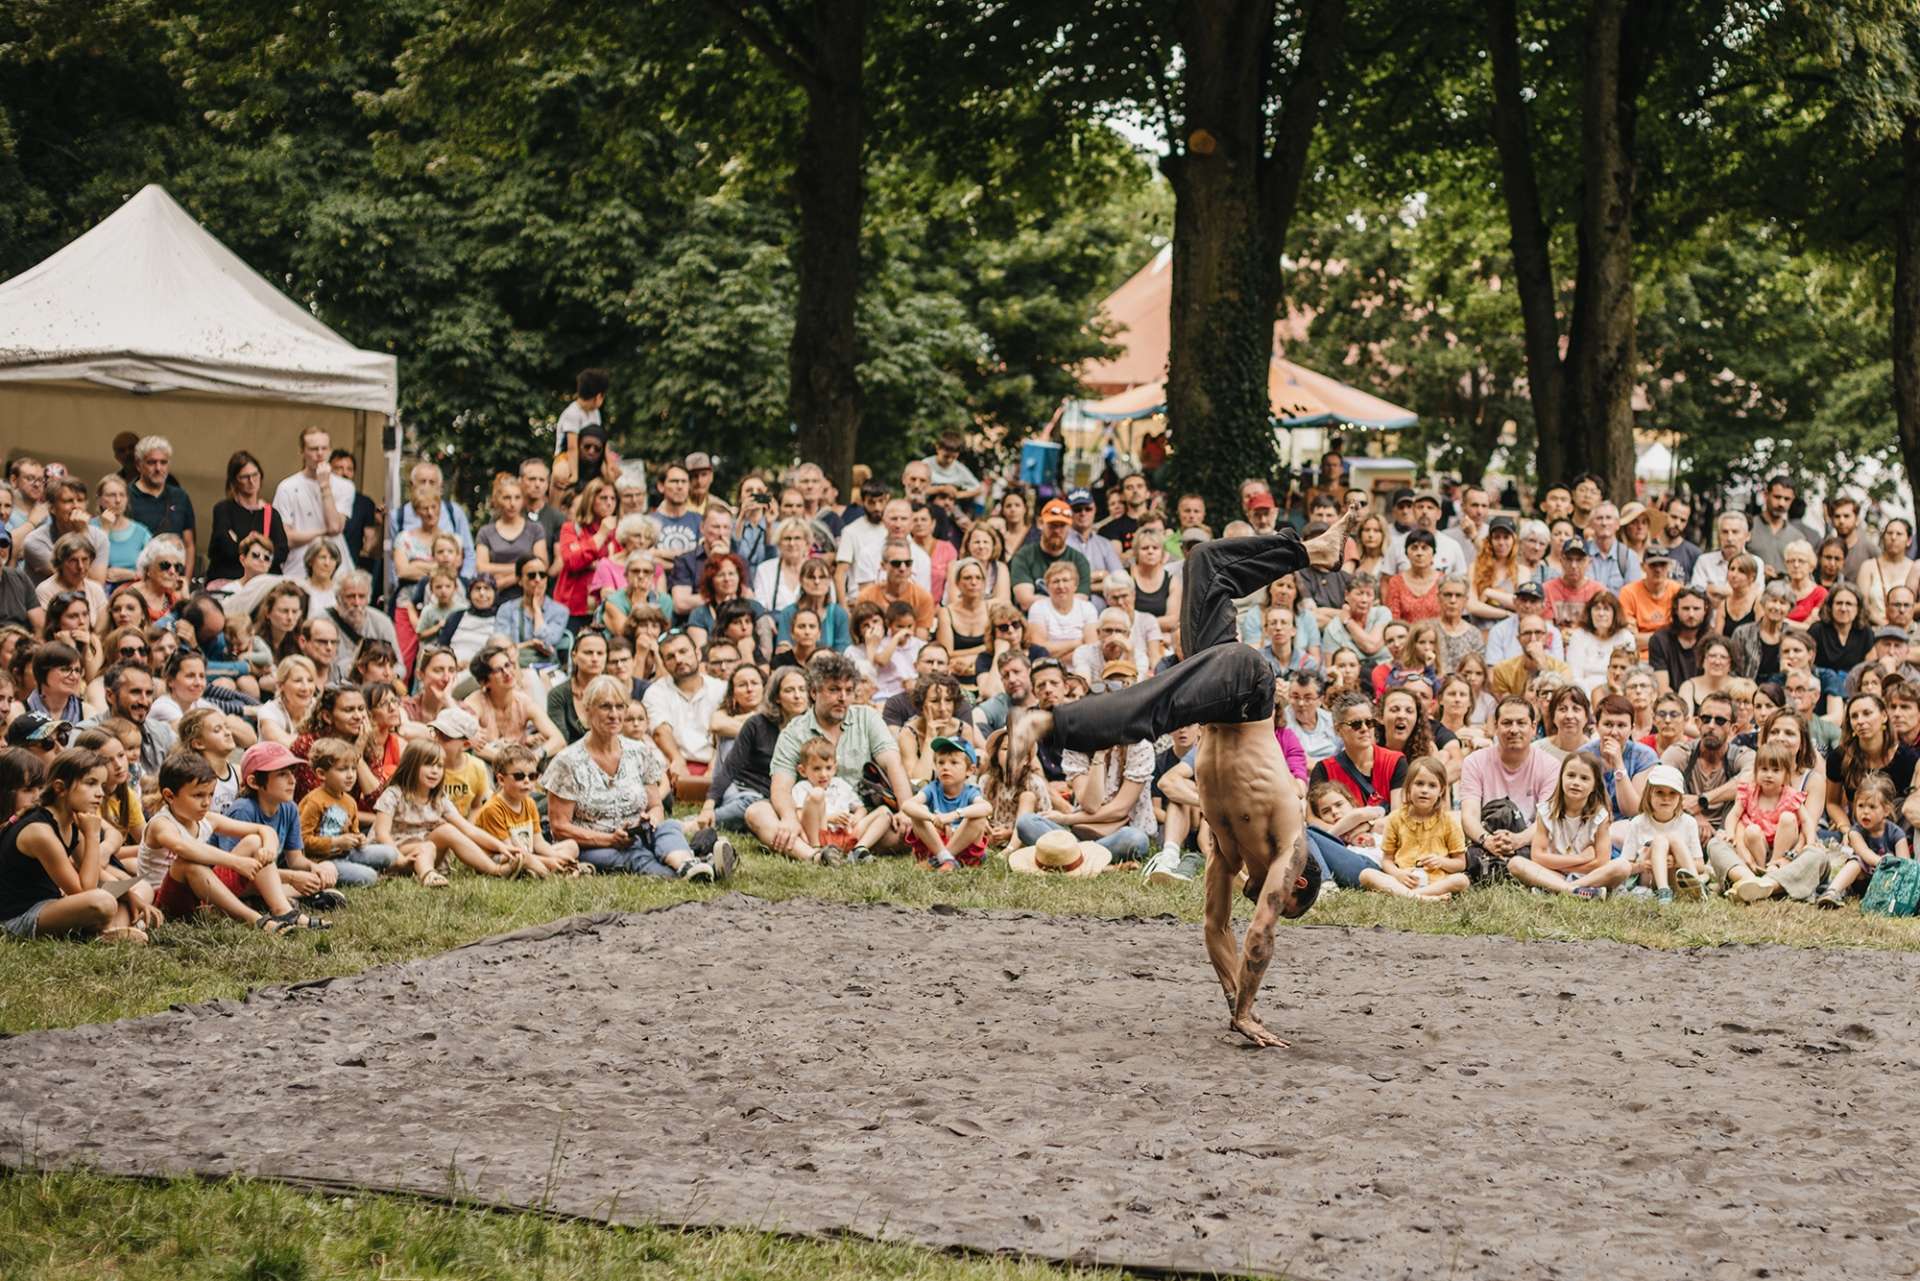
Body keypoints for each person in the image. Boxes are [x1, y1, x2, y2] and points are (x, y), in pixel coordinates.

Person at [1006, 511, 1360, 1048]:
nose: (1259, 904)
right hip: (1245, 685)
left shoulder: (1226, 850)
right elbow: (1260, 935)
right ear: (1297, 886)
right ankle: (1049, 723)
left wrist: (1233, 1005)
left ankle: (1313, 554)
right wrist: (1248, 1006)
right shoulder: (1291, 847)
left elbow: (1216, 928)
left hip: (1220, 691)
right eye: (1279, 899)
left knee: (1204, 563)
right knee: (1159, 706)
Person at [545, 675, 729, 879]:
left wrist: (651, 820)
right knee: (635, 855)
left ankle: (688, 864)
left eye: (620, 706)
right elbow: (560, 828)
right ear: (588, 711)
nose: (614, 714)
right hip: (594, 845)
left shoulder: (639, 752)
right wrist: (610, 839)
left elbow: (656, 806)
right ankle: (700, 868)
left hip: (638, 834)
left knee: (668, 827)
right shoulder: (567, 762)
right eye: (606, 707)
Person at [141, 751, 323, 931]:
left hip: (201, 893)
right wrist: (236, 862)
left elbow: (264, 830)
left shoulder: (207, 819)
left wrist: (268, 848)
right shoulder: (161, 824)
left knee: (253, 841)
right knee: (187, 864)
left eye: (210, 795)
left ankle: (283, 911)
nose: (206, 802)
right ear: (170, 796)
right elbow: (185, 848)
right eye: (198, 796)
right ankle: (255, 920)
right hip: (165, 902)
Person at [0, 748, 155, 943]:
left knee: (141, 890)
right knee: (103, 901)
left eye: (102, 785)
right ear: (60, 788)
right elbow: (83, 891)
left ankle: (110, 932)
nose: (100, 793)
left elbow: (97, 873)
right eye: (91, 783)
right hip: (19, 918)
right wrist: (91, 836)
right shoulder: (39, 831)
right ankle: (109, 929)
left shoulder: (70, 822)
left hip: (52, 905)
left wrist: (131, 897)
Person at [297, 736, 402, 887]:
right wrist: (336, 842)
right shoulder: (315, 801)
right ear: (321, 774)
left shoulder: (349, 801)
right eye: (342, 769)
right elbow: (303, 841)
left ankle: (356, 869)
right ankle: (357, 872)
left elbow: (354, 831)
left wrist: (359, 839)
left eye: (353, 768)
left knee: (390, 853)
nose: (350, 775)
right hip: (323, 860)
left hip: (348, 853)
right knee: (369, 877)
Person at [1504, 751, 1612, 894]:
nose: (1575, 782)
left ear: (1594, 785)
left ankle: (1557, 888)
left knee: (1622, 867)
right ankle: (1576, 891)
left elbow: (1601, 862)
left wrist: (1558, 864)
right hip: (1552, 872)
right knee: (1515, 863)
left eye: (1584, 778)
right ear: (1561, 778)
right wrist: (1580, 858)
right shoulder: (1546, 812)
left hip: (1588, 876)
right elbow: (1537, 857)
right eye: (1571, 775)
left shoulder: (1600, 816)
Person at [471, 742, 584, 878]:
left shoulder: (529, 803)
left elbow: (539, 842)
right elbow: (510, 852)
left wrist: (556, 856)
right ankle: (554, 871)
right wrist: (549, 861)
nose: (527, 781)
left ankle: (546, 869)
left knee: (572, 846)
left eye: (532, 776)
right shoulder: (493, 808)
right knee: (523, 858)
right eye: (519, 776)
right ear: (501, 779)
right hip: (501, 858)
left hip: (527, 854)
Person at [1377, 756, 1473, 898]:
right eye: (1419, 783)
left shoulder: (1448, 821)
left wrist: (1441, 861)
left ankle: (1410, 896)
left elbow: (1460, 863)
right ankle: (1421, 897)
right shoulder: (1395, 818)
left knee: (1462, 880)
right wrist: (1398, 874)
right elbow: (1387, 860)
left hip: (1436, 882)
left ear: (1441, 791)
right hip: (1405, 879)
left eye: (1432, 786)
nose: (1424, 790)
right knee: (1366, 875)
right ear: (1409, 787)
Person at [898, 734, 991, 870]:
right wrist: (933, 818)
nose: (945, 767)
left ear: (970, 770)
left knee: (978, 817)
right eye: (941, 762)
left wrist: (954, 815)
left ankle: (942, 859)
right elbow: (907, 805)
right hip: (935, 846)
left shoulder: (971, 791)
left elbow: (987, 807)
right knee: (919, 812)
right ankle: (946, 859)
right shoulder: (932, 788)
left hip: (961, 849)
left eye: (953, 762)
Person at [273, 426, 355, 579]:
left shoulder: (345, 486)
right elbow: (287, 539)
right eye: (313, 449)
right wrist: (323, 533)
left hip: (337, 569)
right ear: (302, 452)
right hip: (298, 570)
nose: (319, 454)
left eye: (324, 448)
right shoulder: (287, 487)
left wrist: (325, 486)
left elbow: (335, 526)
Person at [1820, 772, 1909, 907]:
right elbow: (1865, 854)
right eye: (1861, 806)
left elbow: (1906, 864)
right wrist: (1885, 862)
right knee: (1856, 862)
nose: (1865, 812)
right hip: (1861, 881)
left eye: (1872, 807)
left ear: (1886, 810)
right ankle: (1832, 892)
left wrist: (1895, 867)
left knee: (1897, 865)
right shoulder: (1856, 832)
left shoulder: (1896, 833)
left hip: (1886, 882)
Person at [206, 452, 287, 582]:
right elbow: (224, 548)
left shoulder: (271, 514)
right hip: (229, 579)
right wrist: (261, 546)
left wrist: (241, 543)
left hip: (262, 582)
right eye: (244, 477)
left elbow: (281, 552)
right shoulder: (224, 509)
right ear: (234, 480)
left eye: (255, 475)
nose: (251, 481)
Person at [125, 436, 196, 573]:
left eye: (163, 462)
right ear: (139, 465)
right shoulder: (123, 496)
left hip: (173, 577)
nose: (158, 468)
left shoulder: (180, 496)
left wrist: (185, 581)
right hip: (136, 577)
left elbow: (189, 545)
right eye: (151, 462)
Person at [21, 476, 108, 584]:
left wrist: (83, 533)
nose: (76, 506)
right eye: (68, 501)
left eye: (80, 500)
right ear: (52, 508)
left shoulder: (99, 537)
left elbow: (96, 584)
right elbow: (74, 579)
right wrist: (80, 534)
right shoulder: (35, 541)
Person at [1647, 588, 1712, 692]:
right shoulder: (1660, 639)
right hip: (1671, 704)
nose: (1691, 614)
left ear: (1705, 610)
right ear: (1676, 610)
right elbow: (1663, 688)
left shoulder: (1712, 640)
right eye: (1686, 608)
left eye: (1696, 609)